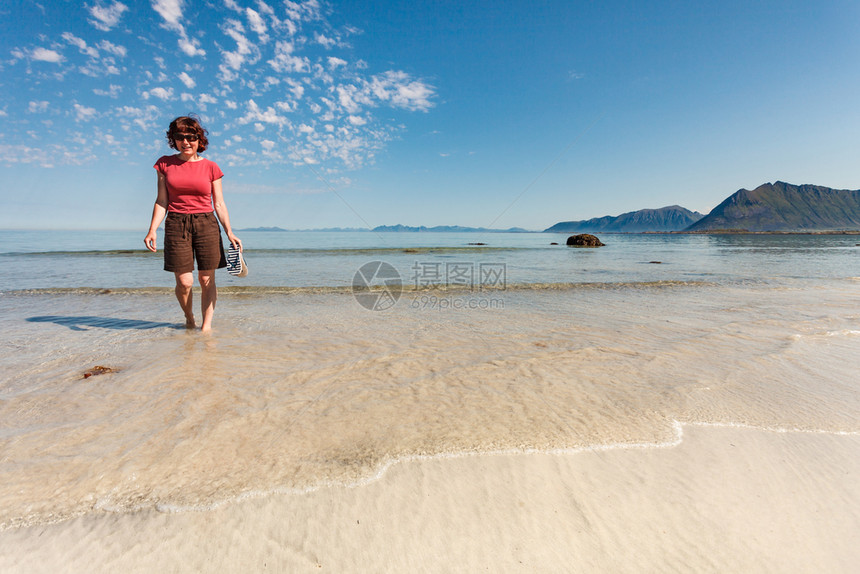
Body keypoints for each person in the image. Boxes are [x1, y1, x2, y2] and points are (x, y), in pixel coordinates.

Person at [144, 116, 242, 332]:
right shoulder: (164, 164)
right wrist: (152, 229)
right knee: (185, 282)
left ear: (199, 139)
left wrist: (230, 232)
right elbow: (162, 200)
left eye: (191, 137)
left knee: (206, 278)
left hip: (206, 222)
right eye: (180, 137)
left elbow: (219, 203)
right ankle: (189, 319)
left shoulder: (211, 167)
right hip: (176, 223)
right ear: (173, 139)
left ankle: (206, 328)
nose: (185, 142)